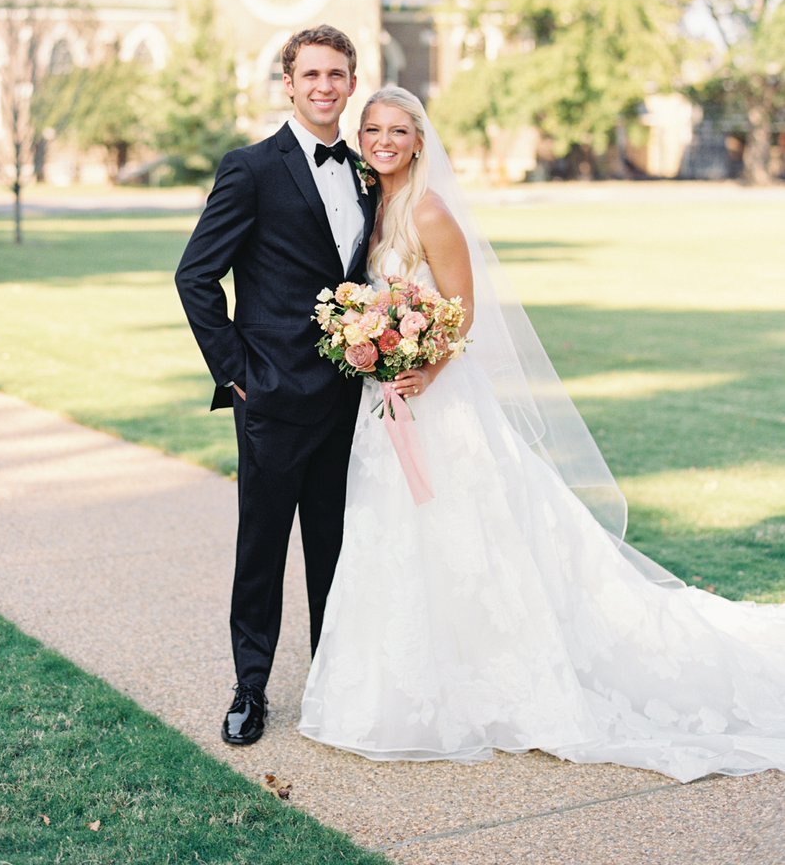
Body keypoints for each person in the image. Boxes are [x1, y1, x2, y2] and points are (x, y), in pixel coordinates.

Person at [299, 85, 785, 782]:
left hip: (436, 407)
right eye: (372, 128)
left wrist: (420, 371)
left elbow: (461, 318)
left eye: (397, 130)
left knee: (466, 536)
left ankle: (491, 680)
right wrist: (369, 346)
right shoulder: (375, 211)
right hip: (386, 410)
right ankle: (406, 681)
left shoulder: (430, 212)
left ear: (417, 141)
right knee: (395, 537)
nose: (382, 140)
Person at [175, 25, 376, 746]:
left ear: (352, 85)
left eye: (337, 75)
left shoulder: (365, 173)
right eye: (311, 74)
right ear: (287, 84)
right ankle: (250, 689)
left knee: (334, 545)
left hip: (350, 398)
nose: (324, 86)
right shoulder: (251, 168)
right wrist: (238, 374)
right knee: (261, 548)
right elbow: (195, 276)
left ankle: (331, 681)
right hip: (271, 396)